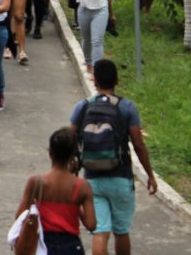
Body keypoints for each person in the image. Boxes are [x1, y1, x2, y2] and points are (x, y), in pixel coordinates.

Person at [70, 59, 158, 255]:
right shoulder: (127, 107)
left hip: (92, 179)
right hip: (121, 177)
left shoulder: (82, 107)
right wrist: (150, 175)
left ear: (95, 81)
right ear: (117, 80)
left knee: (100, 232)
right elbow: (138, 145)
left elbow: (69, 139)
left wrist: (72, 169)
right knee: (121, 231)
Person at [16, 128, 97, 255]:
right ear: (72, 156)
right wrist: (77, 208)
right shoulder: (82, 187)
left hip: (44, 246)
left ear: (50, 153)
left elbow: (19, 216)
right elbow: (91, 224)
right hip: (72, 246)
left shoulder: (36, 182)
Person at [71, 0, 115, 73]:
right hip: (84, 10)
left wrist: (111, 14)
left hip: (100, 10)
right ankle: (88, 62)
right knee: (86, 39)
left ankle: (97, 70)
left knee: (97, 41)